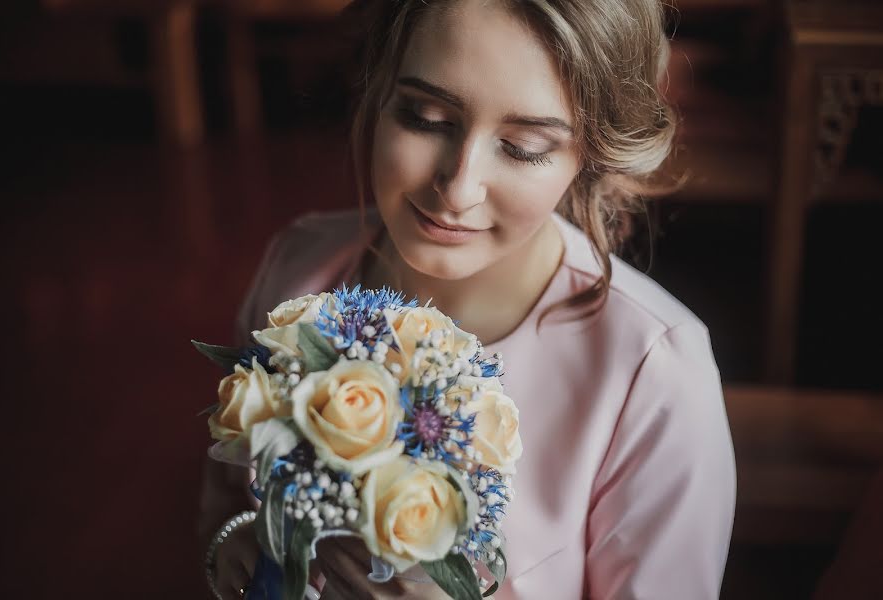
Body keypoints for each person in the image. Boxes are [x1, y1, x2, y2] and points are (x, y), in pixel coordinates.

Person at [199, 0, 737, 598]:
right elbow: (225, 499)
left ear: (589, 155)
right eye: (426, 117)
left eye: (525, 146)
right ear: (377, 88)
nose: (458, 189)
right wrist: (238, 544)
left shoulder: (654, 373)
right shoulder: (297, 269)